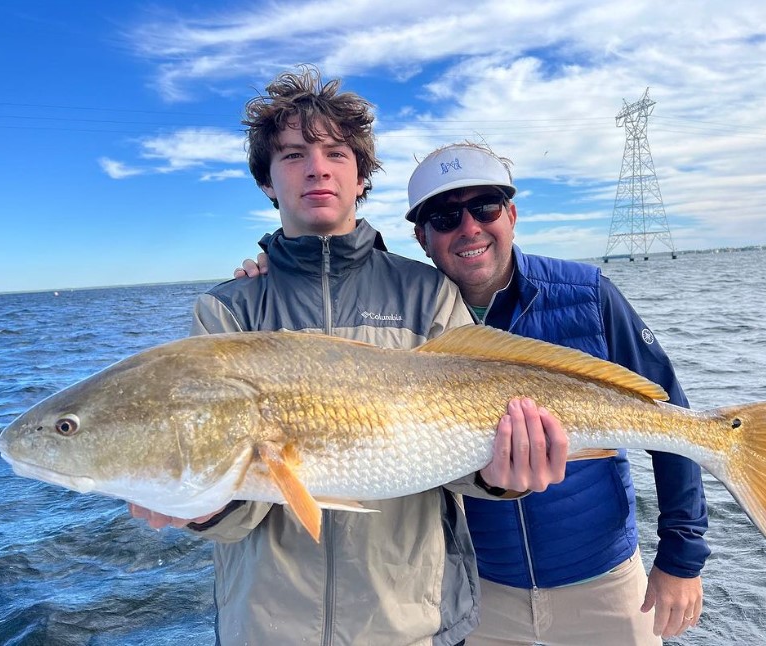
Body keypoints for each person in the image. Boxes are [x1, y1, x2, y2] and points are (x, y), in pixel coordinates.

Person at [129, 69, 568, 646]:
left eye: (336, 152)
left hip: (413, 626)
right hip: (265, 630)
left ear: (361, 178)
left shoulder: (428, 293)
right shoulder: (226, 313)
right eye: (292, 155)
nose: (317, 167)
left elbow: (458, 461)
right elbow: (238, 504)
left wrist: (505, 477)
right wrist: (197, 506)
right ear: (266, 181)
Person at [238, 142, 710, 645]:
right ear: (421, 237)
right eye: (444, 216)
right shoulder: (413, 313)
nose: (469, 227)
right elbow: (337, 319)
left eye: (484, 206)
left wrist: (681, 557)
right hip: (481, 595)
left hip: (605, 580)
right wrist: (276, 278)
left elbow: (672, 419)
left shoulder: (589, 294)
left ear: (511, 213)